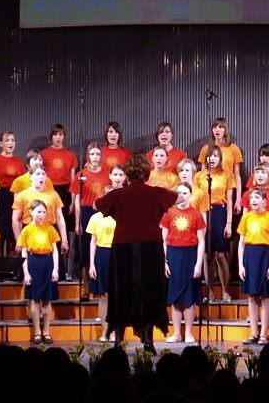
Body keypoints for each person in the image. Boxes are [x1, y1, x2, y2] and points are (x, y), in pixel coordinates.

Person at [95, 154, 178, 354]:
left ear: (127, 174)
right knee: (149, 289)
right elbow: (174, 197)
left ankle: (118, 342)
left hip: (123, 246)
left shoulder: (117, 195)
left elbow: (98, 204)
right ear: (146, 172)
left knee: (122, 290)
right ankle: (148, 341)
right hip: (150, 246)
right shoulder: (156, 193)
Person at [161, 182, 206, 344]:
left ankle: (188, 333)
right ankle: (176, 333)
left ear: (190, 195)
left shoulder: (196, 214)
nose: (181, 196)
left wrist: (198, 264)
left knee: (188, 297)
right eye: (179, 193)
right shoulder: (168, 212)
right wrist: (164, 261)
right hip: (173, 256)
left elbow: (201, 241)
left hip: (189, 256)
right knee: (175, 298)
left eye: (185, 193)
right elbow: (163, 240)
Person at [237, 188, 269, 345]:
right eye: (252, 198)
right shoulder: (246, 218)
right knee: (252, 295)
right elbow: (241, 243)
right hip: (250, 256)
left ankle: (264, 333)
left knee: (265, 295)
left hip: (265, 256)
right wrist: (240, 265)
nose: (254, 200)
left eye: (257, 197)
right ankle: (254, 332)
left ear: (264, 201)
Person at [194, 144, 235, 302]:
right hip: (203, 212)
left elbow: (229, 200)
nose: (212, 159)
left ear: (220, 158)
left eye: (215, 156)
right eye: (210, 156)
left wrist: (229, 223)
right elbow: (195, 197)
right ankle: (210, 291)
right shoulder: (199, 176)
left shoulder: (227, 175)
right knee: (207, 255)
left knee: (220, 255)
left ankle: (225, 291)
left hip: (219, 213)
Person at [88, 168, 125, 341]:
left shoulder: (123, 216)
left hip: (119, 253)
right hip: (102, 255)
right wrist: (92, 264)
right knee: (104, 295)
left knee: (118, 295)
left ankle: (116, 331)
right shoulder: (96, 217)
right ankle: (105, 331)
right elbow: (93, 242)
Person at [16, 199, 61, 344]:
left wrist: (55, 269)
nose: (41, 215)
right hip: (33, 262)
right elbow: (24, 252)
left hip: (47, 263)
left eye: (44, 212)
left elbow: (55, 251)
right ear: (31, 212)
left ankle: (46, 331)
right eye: (38, 211)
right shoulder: (26, 230)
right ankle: (37, 331)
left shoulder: (50, 228)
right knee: (34, 299)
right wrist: (26, 273)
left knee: (47, 299)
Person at [70, 142, 111, 300]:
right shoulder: (81, 175)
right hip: (86, 213)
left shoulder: (108, 173)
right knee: (85, 253)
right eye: (92, 154)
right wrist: (77, 222)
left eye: (98, 154)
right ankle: (87, 289)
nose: (95, 157)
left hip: (105, 213)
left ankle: (105, 287)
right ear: (88, 156)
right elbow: (77, 199)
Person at [40, 123, 79, 279]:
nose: (58, 137)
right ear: (51, 137)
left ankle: (65, 269)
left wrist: (72, 202)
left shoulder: (70, 155)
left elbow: (73, 181)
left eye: (61, 134)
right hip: (49, 191)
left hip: (65, 192)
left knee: (64, 229)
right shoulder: (44, 154)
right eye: (55, 134)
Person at [0, 131, 26, 256]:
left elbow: (23, 182)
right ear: (1, 143)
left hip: (14, 198)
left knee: (12, 234)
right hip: (0, 198)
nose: (10, 143)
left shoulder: (19, 162)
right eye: (7, 140)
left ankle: (12, 264)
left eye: (12, 140)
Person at [198, 117, 243, 214]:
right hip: (212, 190)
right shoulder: (206, 149)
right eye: (214, 127)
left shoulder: (233, 149)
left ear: (225, 130)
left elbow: (237, 175)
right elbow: (202, 174)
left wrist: (238, 199)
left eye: (220, 127)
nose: (217, 130)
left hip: (229, 189)